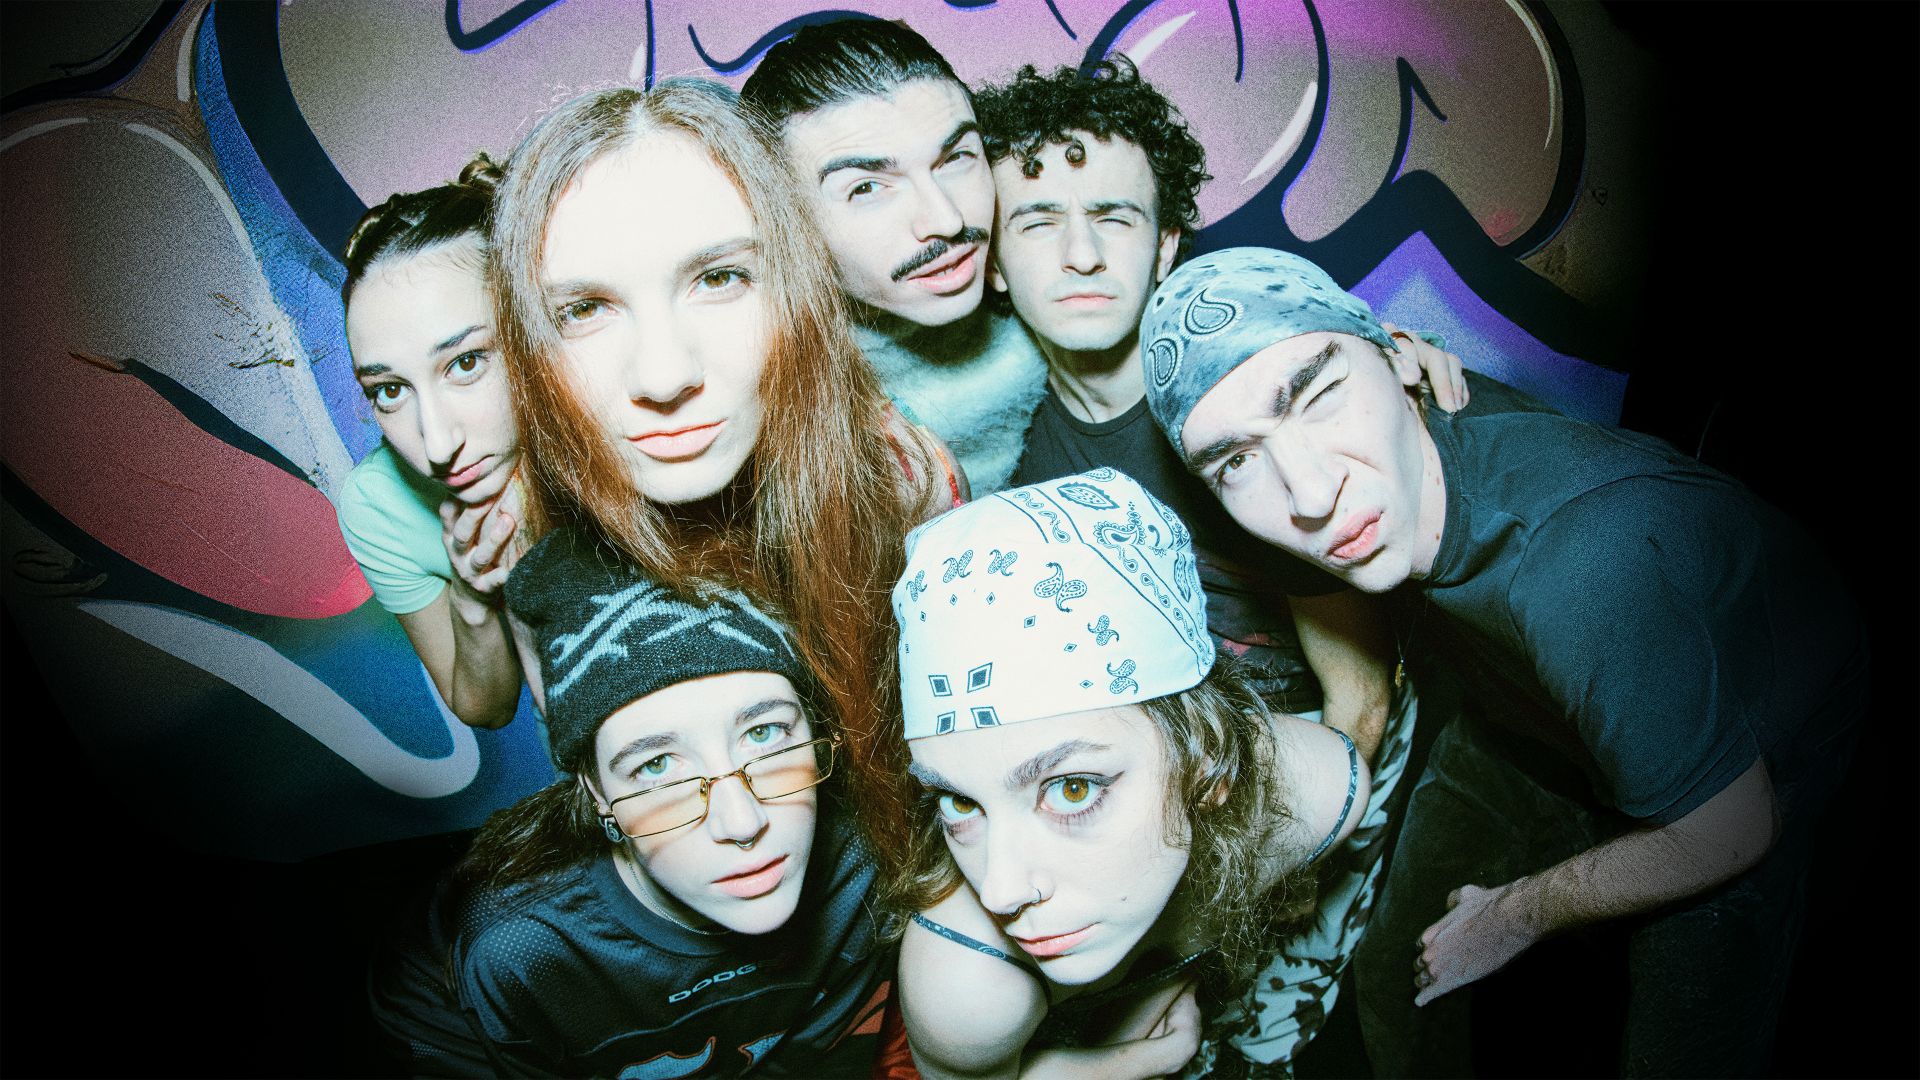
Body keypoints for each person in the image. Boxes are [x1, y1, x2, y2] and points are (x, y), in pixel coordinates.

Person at [1141, 246, 1868, 1075]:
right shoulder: (1407, 398)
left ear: (1395, 362)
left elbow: (1733, 828)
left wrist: (1514, 914)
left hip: (1748, 744)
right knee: (1396, 974)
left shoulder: (1587, 562)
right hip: (1530, 704)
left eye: (1318, 396)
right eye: (1238, 460)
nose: (1309, 496)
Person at [975, 59, 1465, 1070]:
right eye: (1038, 221)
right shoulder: (1020, 471)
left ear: (1164, 247)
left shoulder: (1245, 423)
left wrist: (1198, 936)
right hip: (1167, 794)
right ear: (994, 265)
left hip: (1315, 790)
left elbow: (1360, 704)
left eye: (1114, 218)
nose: (1080, 253)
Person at [487, 76, 959, 905]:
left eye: (719, 278)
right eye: (585, 309)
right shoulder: (531, 533)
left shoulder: (902, 481)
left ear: (796, 287)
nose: (664, 374)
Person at [888, 468, 1369, 1080]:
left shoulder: (1319, 793)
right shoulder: (968, 987)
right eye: (959, 802)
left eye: (1071, 789)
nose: (1000, 891)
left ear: (1207, 756)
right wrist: (1142, 1060)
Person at [371, 539, 895, 1076]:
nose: (743, 823)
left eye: (764, 734)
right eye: (657, 766)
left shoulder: (872, 856)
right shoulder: (522, 951)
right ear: (596, 792)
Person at [742, 18, 1047, 493]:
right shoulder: (749, 382)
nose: (946, 220)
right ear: (783, 221)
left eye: (956, 158)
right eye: (866, 188)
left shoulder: (1051, 284)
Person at [336, 156, 526, 730]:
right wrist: (472, 599)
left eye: (466, 363)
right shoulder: (378, 504)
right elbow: (485, 708)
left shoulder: (635, 423)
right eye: (390, 390)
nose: (438, 445)